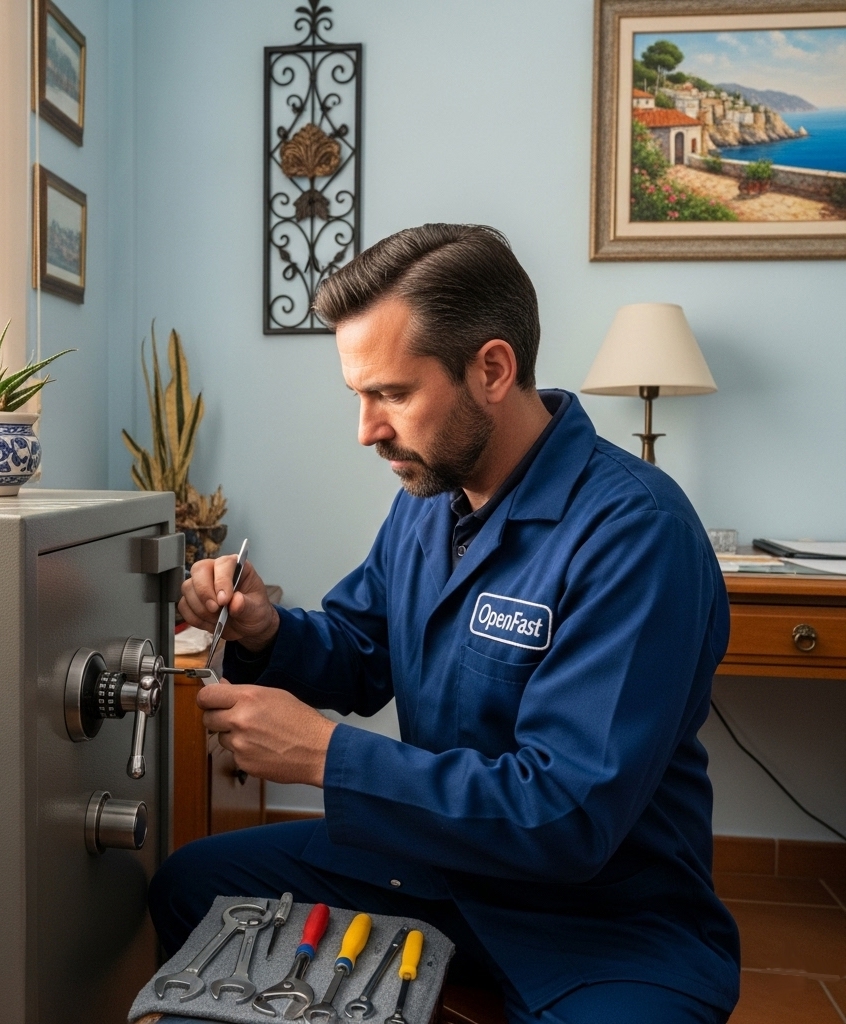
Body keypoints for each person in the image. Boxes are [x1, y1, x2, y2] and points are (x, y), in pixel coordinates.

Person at [148, 224, 740, 1024]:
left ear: (492, 369)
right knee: (191, 885)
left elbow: (566, 814)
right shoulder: (429, 498)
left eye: (392, 395)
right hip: (435, 866)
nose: (367, 429)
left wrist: (325, 756)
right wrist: (265, 630)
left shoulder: (637, 532)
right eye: (359, 397)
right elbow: (363, 650)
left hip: (603, 919)